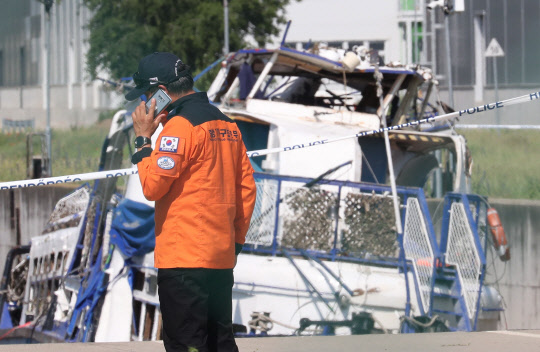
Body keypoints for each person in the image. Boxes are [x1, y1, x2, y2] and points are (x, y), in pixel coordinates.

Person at [126, 52, 257, 352]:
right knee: (220, 342)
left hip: (183, 261)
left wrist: (143, 140)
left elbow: (152, 186)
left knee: (185, 344)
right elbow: (247, 190)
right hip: (220, 258)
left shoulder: (179, 127)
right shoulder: (227, 125)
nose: (144, 104)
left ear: (160, 92)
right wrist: (234, 243)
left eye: (146, 96)